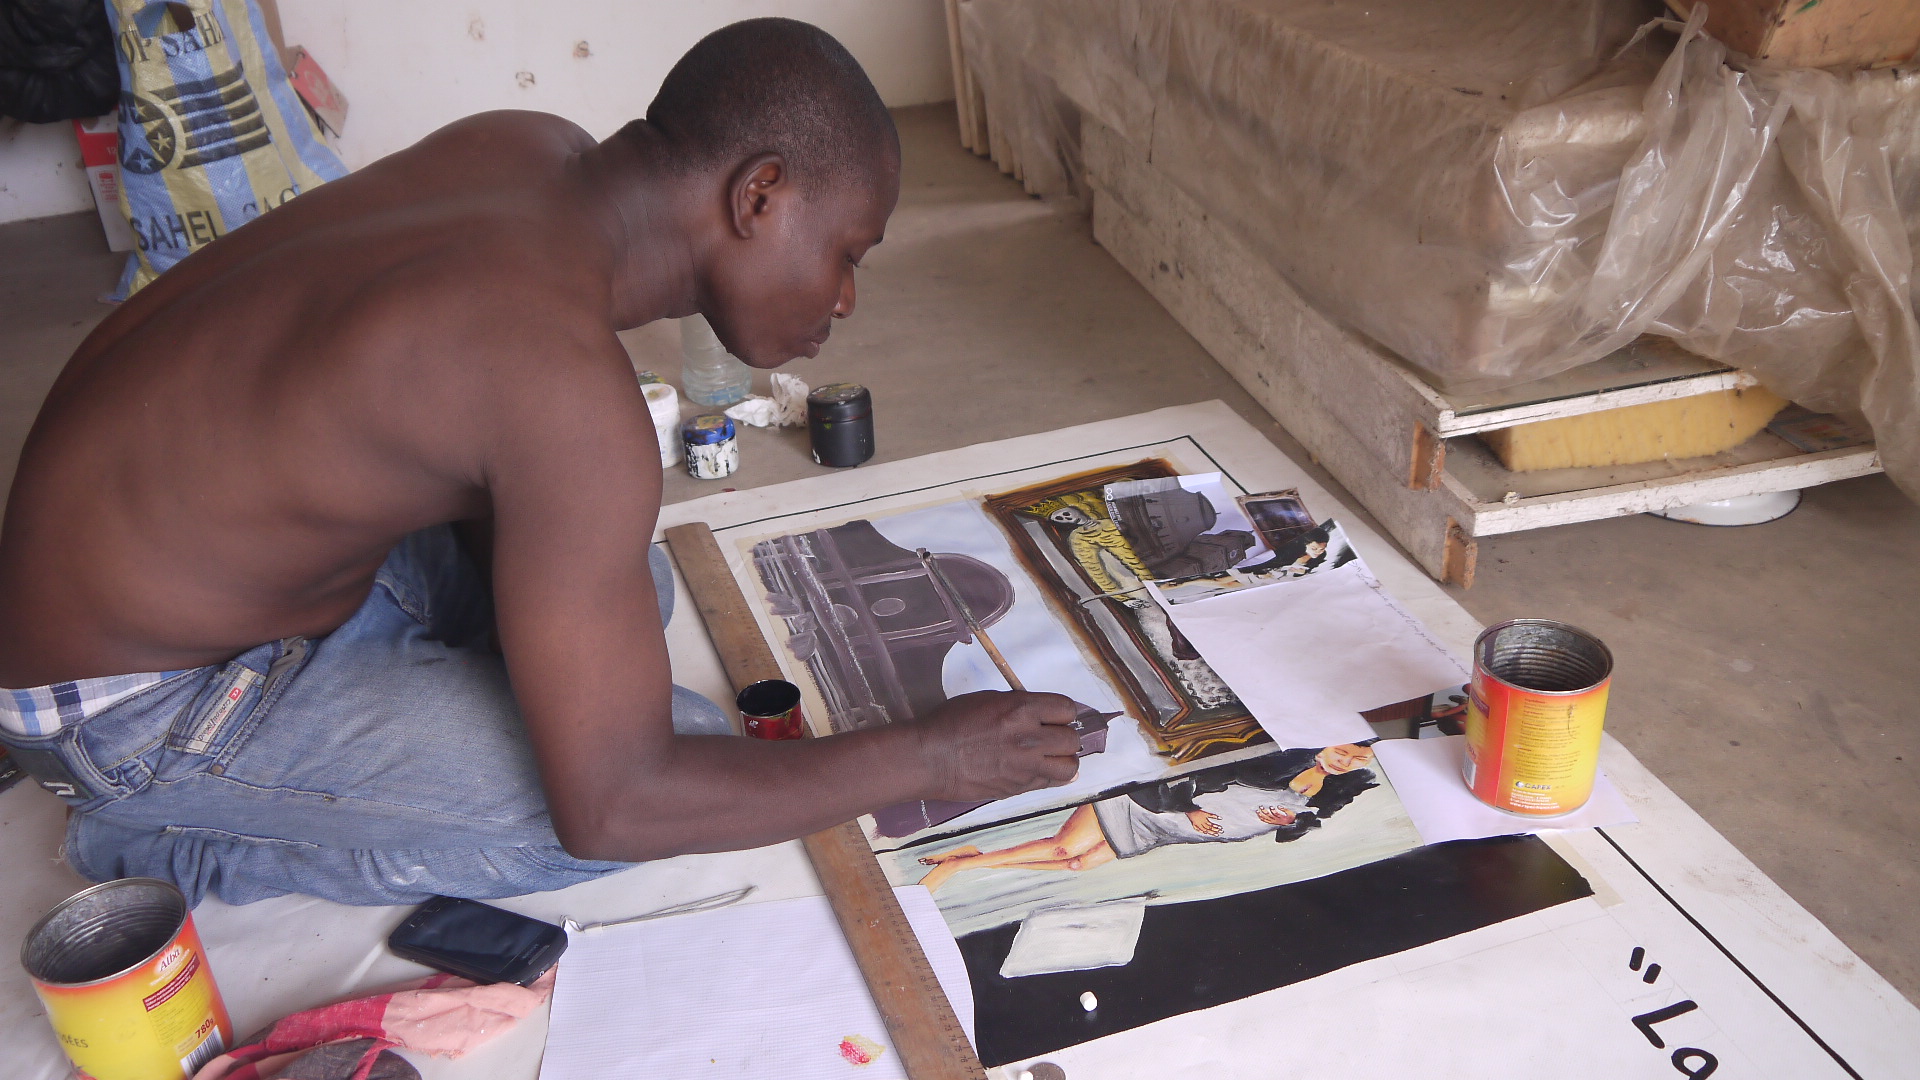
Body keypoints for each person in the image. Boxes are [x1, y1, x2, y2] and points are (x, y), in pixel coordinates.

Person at [0, 19, 1081, 908]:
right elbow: (612, 806)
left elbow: (478, 433)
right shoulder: (565, 393)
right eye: (848, 252)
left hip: (182, 551)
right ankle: (156, 834)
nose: (844, 297)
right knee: (654, 798)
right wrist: (931, 759)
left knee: (628, 587)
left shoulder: (522, 141)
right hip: (125, 702)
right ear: (758, 197)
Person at [914, 744, 1379, 892]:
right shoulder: (1277, 758)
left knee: (1075, 866)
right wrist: (1189, 810)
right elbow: (1201, 774)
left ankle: (975, 856)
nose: (1346, 762)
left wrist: (1289, 823)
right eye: (1344, 750)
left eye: (1357, 760)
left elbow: (1292, 835)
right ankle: (958, 865)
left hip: (1169, 833)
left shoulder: (1326, 790)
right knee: (1062, 847)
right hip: (1154, 803)